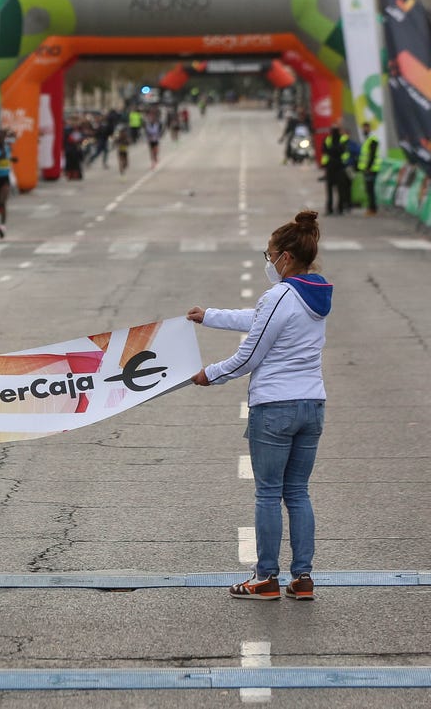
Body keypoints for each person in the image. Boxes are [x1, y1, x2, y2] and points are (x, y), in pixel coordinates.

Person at [186, 210, 331, 601]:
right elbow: (260, 319)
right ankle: (302, 578)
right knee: (298, 492)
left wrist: (209, 374)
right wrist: (210, 316)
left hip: (275, 409)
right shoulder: (313, 293)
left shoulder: (280, 294)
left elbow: (249, 357)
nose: (268, 264)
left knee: (268, 493)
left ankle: (266, 577)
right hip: (312, 405)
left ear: (285, 256)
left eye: (269, 256)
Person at [319, 126, 352, 216]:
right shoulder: (341, 139)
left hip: (332, 166)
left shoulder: (329, 139)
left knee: (332, 189)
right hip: (339, 167)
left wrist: (331, 154)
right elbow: (343, 151)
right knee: (339, 189)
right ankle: (338, 208)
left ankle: (332, 209)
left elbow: (325, 150)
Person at [0, 128, 16, 238]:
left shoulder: (7, 148)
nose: (1, 140)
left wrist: (13, 159)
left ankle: (2, 226)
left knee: (3, 201)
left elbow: (9, 159)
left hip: (5, 178)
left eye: (2, 138)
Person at [358, 121, 382, 215]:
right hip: (368, 169)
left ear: (369, 128)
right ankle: (372, 208)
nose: (364, 130)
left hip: (371, 169)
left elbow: (372, 155)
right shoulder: (368, 139)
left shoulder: (372, 139)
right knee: (369, 190)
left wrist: (368, 167)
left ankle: (372, 209)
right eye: (363, 128)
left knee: (370, 190)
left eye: (366, 128)